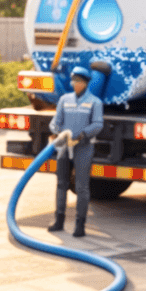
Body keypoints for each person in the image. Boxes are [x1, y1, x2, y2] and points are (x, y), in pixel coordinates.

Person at [48, 65, 103, 238]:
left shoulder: (94, 102)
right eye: (73, 80)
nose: (75, 83)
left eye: (78, 81)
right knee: (61, 184)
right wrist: (57, 131)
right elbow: (55, 122)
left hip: (83, 147)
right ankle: (59, 220)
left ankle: (80, 224)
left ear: (86, 83)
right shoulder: (65, 99)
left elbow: (98, 124)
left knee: (81, 187)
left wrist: (82, 134)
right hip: (64, 147)